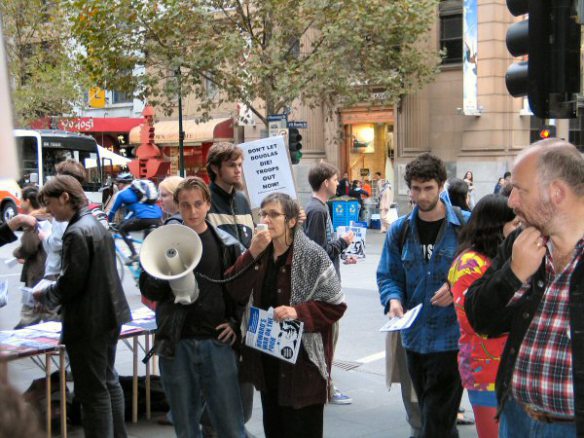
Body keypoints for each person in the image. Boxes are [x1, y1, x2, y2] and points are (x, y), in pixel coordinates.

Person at [465, 139, 584, 437]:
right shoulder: (522, 241)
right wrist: (514, 273)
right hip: (516, 416)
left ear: (556, 193)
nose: (511, 201)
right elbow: (481, 319)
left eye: (520, 190)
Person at [225, 193, 347, 438]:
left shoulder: (312, 255)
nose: (266, 220)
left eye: (273, 214)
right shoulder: (259, 251)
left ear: (291, 221)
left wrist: (298, 312)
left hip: (302, 366)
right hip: (268, 360)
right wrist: (250, 254)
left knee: (302, 427)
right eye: (263, 214)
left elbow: (336, 305)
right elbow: (233, 290)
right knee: (275, 428)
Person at [139, 177, 246, 438]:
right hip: (177, 345)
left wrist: (235, 322)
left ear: (208, 204)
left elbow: (240, 291)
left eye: (198, 204)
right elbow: (149, 290)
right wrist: (164, 272)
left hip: (216, 344)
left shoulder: (226, 245)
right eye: (185, 205)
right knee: (186, 427)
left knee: (230, 426)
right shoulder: (164, 241)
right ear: (178, 206)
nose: (193, 211)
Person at [377, 152, 470, 438]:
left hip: (451, 337)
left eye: (428, 187)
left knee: (437, 418)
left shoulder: (467, 225)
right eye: (415, 188)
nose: (421, 195)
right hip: (413, 339)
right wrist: (393, 300)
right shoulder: (401, 229)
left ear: (441, 186)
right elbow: (388, 275)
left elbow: (490, 270)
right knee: (428, 417)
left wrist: (457, 287)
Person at [33, 175, 131, 438]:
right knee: (108, 382)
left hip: (90, 321)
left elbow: (71, 281)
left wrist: (46, 295)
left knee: (93, 392)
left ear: (65, 197)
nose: (50, 212)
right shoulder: (95, 225)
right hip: (109, 316)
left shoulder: (77, 231)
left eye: (50, 204)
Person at [447, 194, 521, 438]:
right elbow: (473, 321)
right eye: (514, 225)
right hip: (487, 370)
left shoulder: (498, 260)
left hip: (509, 369)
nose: (519, 231)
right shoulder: (470, 263)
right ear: (496, 226)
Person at [205, 142, 256, 434]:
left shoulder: (242, 201)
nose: (238, 170)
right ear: (215, 168)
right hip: (221, 309)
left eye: (240, 165)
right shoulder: (206, 202)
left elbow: (249, 250)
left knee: (244, 388)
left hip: (245, 307)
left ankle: (237, 426)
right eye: (231, 165)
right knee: (218, 388)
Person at [304, 162, 354, 405]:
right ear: (325, 182)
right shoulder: (317, 211)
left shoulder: (319, 209)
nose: (338, 183)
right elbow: (318, 252)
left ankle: (325, 385)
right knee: (326, 341)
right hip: (323, 290)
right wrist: (343, 243)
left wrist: (343, 252)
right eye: (335, 179)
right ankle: (325, 387)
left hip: (326, 286)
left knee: (329, 339)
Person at [12, 186, 47, 329]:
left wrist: (17, 253)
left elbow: (29, 246)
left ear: (27, 200)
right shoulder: (48, 216)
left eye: (21, 198)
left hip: (36, 271)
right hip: (47, 269)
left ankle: (16, 345)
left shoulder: (31, 220)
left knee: (29, 315)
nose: (20, 202)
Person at [107, 172, 162, 262]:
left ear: (122, 184)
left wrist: (108, 222)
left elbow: (113, 211)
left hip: (144, 219)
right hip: (158, 218)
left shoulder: (122, 194)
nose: (117, 186)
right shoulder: (141, 193)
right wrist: (125, 220)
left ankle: (133, 253)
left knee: (122, 229)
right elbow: (134, 212)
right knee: (145, 249)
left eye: (118, 183)